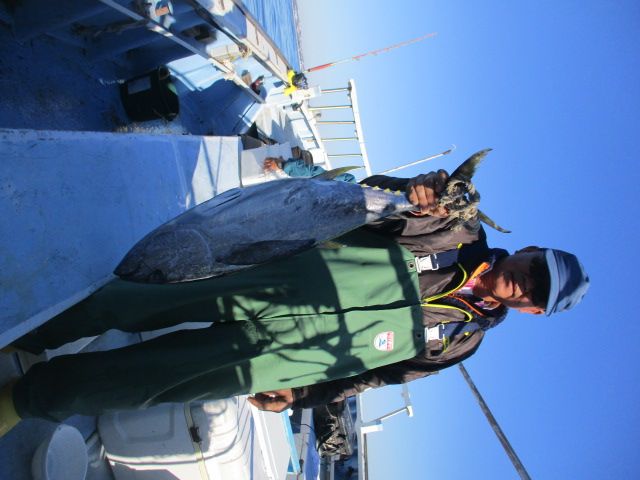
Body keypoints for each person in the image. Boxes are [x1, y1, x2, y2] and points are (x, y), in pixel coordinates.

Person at [0, 169, 589, 437]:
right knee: (136, 297)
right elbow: (365, 205)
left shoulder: (463, 343)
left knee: (154, 380)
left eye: (537, 290)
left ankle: (26, 400)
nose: (526, 281)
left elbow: (379, 377)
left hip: (291, 356)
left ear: (533, 311)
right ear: (528, 249)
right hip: (279, 277)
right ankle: (28, 331)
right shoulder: (458, 231)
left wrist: (303, 395)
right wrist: (419, 195)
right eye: (535, 267)